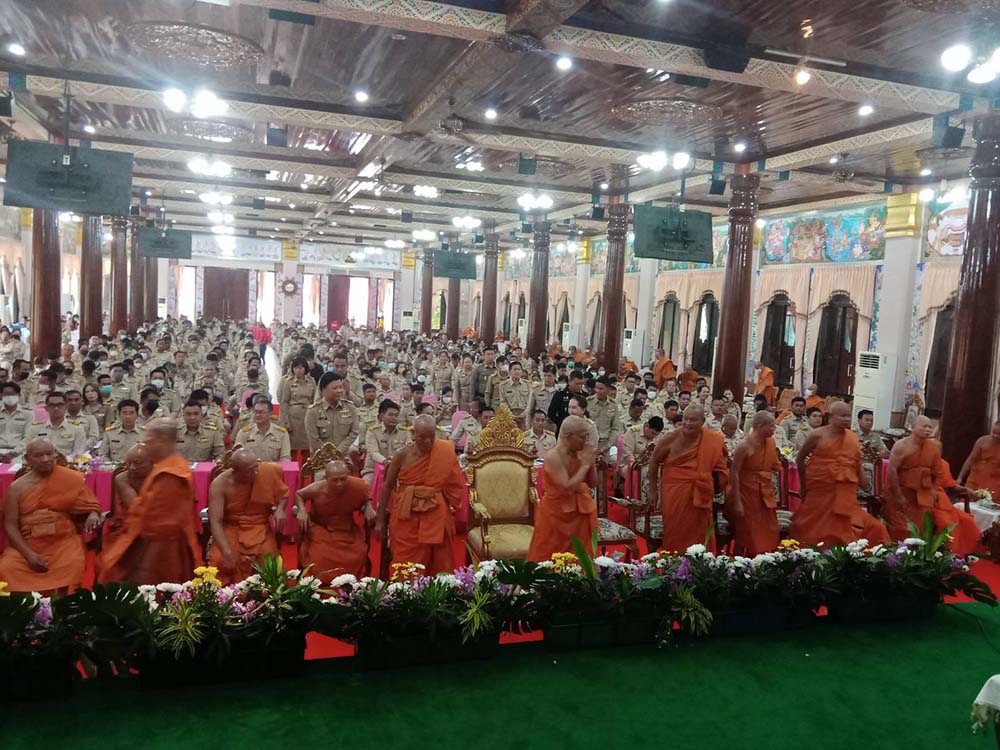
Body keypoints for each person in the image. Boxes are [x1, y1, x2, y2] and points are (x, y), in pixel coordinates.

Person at [98, 418, 202, 584]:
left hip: (160, 555)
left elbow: (161, 528)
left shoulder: (171, 474)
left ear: (163, 441)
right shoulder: (164, 467)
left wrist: (144, 569)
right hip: (144, 545)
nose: (146, 445)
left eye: (149, 440)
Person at [0, 439, 101, 593]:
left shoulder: (69, 479)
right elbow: (10, 525)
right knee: (7, 568)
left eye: (49, 454)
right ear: (26, 459)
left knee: (74, 564)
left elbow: (90, 504)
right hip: (29, 544)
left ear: (56, 455)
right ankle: (27, 607)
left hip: (63, 542)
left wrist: (93, 513)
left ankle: (66, 605)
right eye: (38, 455)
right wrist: (29, 555)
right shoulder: (17, 488)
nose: (45, 459)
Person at [788, 402, 889, 548]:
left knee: (876, 529)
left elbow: (856, 462)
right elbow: (800, 459)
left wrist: (863, 482)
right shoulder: (817, 435)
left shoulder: (852, 438)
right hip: (820, 492)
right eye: (842, 416)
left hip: (845, 497)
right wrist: (803, 486)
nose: (847, 419)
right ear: (830, 416)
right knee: (813, 529)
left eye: (849, 416)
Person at [375, 415, 465, 575]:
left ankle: (440, 588)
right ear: (413, 434)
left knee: (441, 559)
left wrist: (451, 506)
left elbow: (454, 485)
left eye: (432, 437)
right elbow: (387, 486)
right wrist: (380, 520)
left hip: (435, 510)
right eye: (422, 437)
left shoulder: (444, 451)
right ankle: (405, 589)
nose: (428, 442)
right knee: (405, 563)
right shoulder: (401, 455)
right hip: (406, 513)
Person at [885, 416, 982, 554]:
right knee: (903, 528)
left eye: (930, 427)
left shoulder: (933, 447)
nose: (928, 429)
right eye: (924, 426)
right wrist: (898, 495)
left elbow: (936, 472)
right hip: (903, 492)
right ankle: (898, 556)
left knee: (921, 528)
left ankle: (918, 556)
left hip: (924, 494)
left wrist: (934, 489)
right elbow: (892, 471)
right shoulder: (901, 446)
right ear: (912, 427)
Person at [648, 405, 729, 553]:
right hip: (675, 492)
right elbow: (653, 461)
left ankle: (698, 564)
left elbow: (721, 468)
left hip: (701, 492)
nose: (688, 423)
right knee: (675, 532)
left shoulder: (712, 440)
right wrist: (653, 490)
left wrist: (713, 483)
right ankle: (673, 563)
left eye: (693, 420)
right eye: (686, 419)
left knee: (700, 534)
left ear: (702, 421)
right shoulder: (671, 438)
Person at [206, 449, 288, 585]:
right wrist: (226, 552)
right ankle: (229, 596)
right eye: (250, 471)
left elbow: (284, 495)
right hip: (231, 529)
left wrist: (280, 509)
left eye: (256, 467)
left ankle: (268, 595)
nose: (256, 472)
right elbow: (215, 522)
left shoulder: (266, 472)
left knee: (269, 561)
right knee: (221, 560)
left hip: (259, 527)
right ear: (236, 471)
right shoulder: (220, 484)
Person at [527, 415, 599, 561]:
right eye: (582, 437)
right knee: (547, 558)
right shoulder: (553, 457)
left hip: (580, 512)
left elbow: (593, 483)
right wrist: (585, 465)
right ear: (568, 436)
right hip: (556, 515)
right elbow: (567, 488)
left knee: (581, 559)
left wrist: (590, 463)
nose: (586, 441)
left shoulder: (581, 453)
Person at [295, 460, 372, 579]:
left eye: (343, 479)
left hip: (347, 529)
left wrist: (368, 507)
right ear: (325, 478)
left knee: (359, 552)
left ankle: (348, 580)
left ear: (348, 475)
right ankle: (324, 580)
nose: (340, 484)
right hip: (321, 529)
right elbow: (299, 495)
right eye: (335, 480)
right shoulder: (317, 488)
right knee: (320, 555)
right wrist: (302, 510)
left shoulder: (357, 485)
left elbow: (367, 496)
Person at [726, 412, 781, 556]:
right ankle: (743, 562)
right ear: (760, 426)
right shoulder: (744, 446)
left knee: (770, 531)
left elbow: (774, 465)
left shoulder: (770, 443)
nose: (774, 429)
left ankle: (765, 561)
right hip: (746, 495)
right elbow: (734, 472)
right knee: (749, 534)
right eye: (771, 426)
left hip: (765, 494)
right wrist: (737, 501)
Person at [306, 372, 360, 454]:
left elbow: (354, 433)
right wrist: (330, 454)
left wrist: (339, 451)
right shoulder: (313, 411)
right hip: (321, 457)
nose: (339, 391)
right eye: (335, 388)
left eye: (341, 387)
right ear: (323, 389)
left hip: (344, 456)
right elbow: (314, 439)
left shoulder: (351, 408)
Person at [24, 391, 88, 458]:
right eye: (52, 405)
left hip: (66, 463)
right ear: (46, 408)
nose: (56, 408)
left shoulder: (77, 429)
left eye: (60, 405)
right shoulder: (35, 429)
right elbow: (26, 452)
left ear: (66, 407)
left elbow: (78, 454)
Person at [363, 399, 411, 485]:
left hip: (399, 470)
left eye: (396, 415)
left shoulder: (405, 432)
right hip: (374, 471)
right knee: (366, 483)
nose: (394, 418)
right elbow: (374, 453)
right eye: (390, 415)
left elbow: (408, 451)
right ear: (381, 416)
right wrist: (386, 462)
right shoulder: (372, 431)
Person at [277, 356, 316, 457]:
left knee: (307, 449)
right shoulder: (288, 382)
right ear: (293, 369)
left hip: (307, 416)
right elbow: (284, 402)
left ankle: (305, 467)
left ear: (305, 368)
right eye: (296, 368)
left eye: (301, 367)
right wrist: (285, 421)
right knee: (291, 449)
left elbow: (315, 400)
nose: (298, 370)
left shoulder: (311, 382)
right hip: (293, 418)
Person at [958, 421, 1000, 501]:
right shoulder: (982, 440)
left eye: (999, 434)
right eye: (994, 432)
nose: (995, 436)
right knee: (967, 500)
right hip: (976, 477)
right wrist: (960, 477)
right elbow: (971, 459)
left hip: (995, 481)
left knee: (989, 504)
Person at [588, 376, 622, 454]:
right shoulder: (588, 402)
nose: (598, 391)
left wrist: (608, 445)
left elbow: (616, 427)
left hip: (605, 443)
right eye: (596, 388)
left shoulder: (613, 405)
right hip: (589, 443)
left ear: (608, 389)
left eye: (601, 389)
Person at [0, 381, 32, 460]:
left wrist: (13, 453)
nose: (9, 397)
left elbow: (28, 437)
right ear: (1, 395)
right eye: (6, 394)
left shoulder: (28, 414)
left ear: (19, 395)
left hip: (19, 453)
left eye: (13, 394)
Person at [497, 361, 532, 427]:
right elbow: (503, 402)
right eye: (515, 369)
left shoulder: (527, 384)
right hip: (509, 416)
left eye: (519, 369)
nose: (517, 371)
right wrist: (511, 415)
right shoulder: (503, 385)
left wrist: (524, 414)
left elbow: (530, 401)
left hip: (524, 416)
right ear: (509, 372)